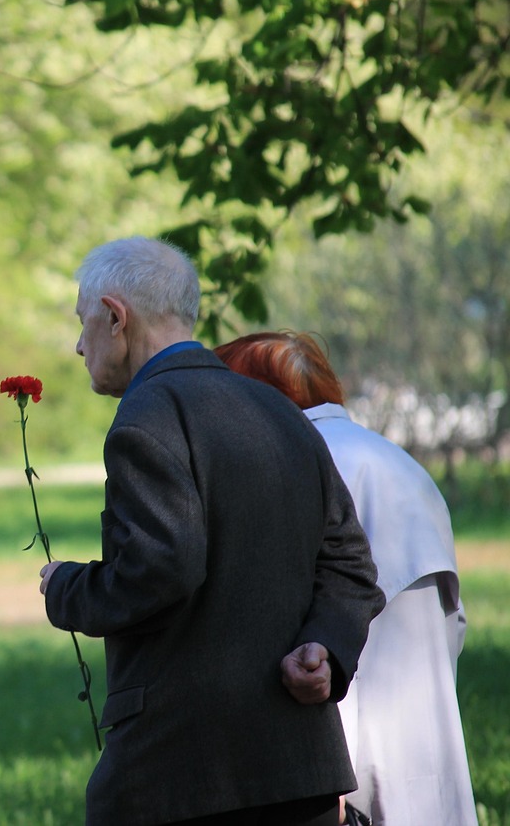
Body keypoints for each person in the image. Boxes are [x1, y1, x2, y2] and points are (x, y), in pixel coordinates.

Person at [38, 236, 385, 826]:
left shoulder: (147, 416)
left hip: (184, 775)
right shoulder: (280, 411)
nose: (78, 345)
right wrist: (324, 645)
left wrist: (65, 589)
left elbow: (163, 566)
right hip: (302, 772)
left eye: (83, 322)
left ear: (115, 317)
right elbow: (350, 563)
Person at [215, 330, 478, 826]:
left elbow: (298, 627)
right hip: (425, 730)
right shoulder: (398, 462)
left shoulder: (295, 464)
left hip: (337, 759)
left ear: (254, 396)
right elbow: (453, 622)